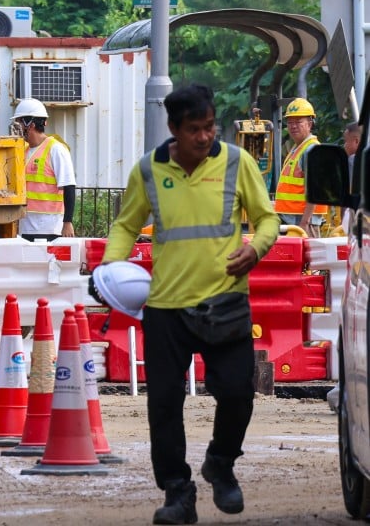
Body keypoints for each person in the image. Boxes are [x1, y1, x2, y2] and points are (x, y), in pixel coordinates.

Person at [101, 84, 279, 524]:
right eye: (194, 130)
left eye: (210, 127)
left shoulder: (237, 163)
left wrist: (256, 248)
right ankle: (178, 491)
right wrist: (108, 270)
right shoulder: (148, 171)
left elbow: (268, 218)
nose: (205, 137)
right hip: (165, 308)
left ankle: (221, 462)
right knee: (163, 405)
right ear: (174, 129)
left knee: (237, 393)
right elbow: (125, 226)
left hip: (226, 301)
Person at [11, 97, 76, 241]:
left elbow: (69, 186)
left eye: (20, 122)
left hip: (50, 227)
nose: (17, 127)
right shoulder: (23, 150)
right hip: (26, 226)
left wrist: (67, 222)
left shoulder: (56, 149)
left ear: (30, 123)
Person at [274, 98, 328, 236]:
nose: (293, 126)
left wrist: (304, 223)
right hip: (293, 221)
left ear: (310, 124)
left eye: (298, 122)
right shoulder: (298, 148)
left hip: (303, 223)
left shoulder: (312, 149)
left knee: (306, 258)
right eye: (290, 122)